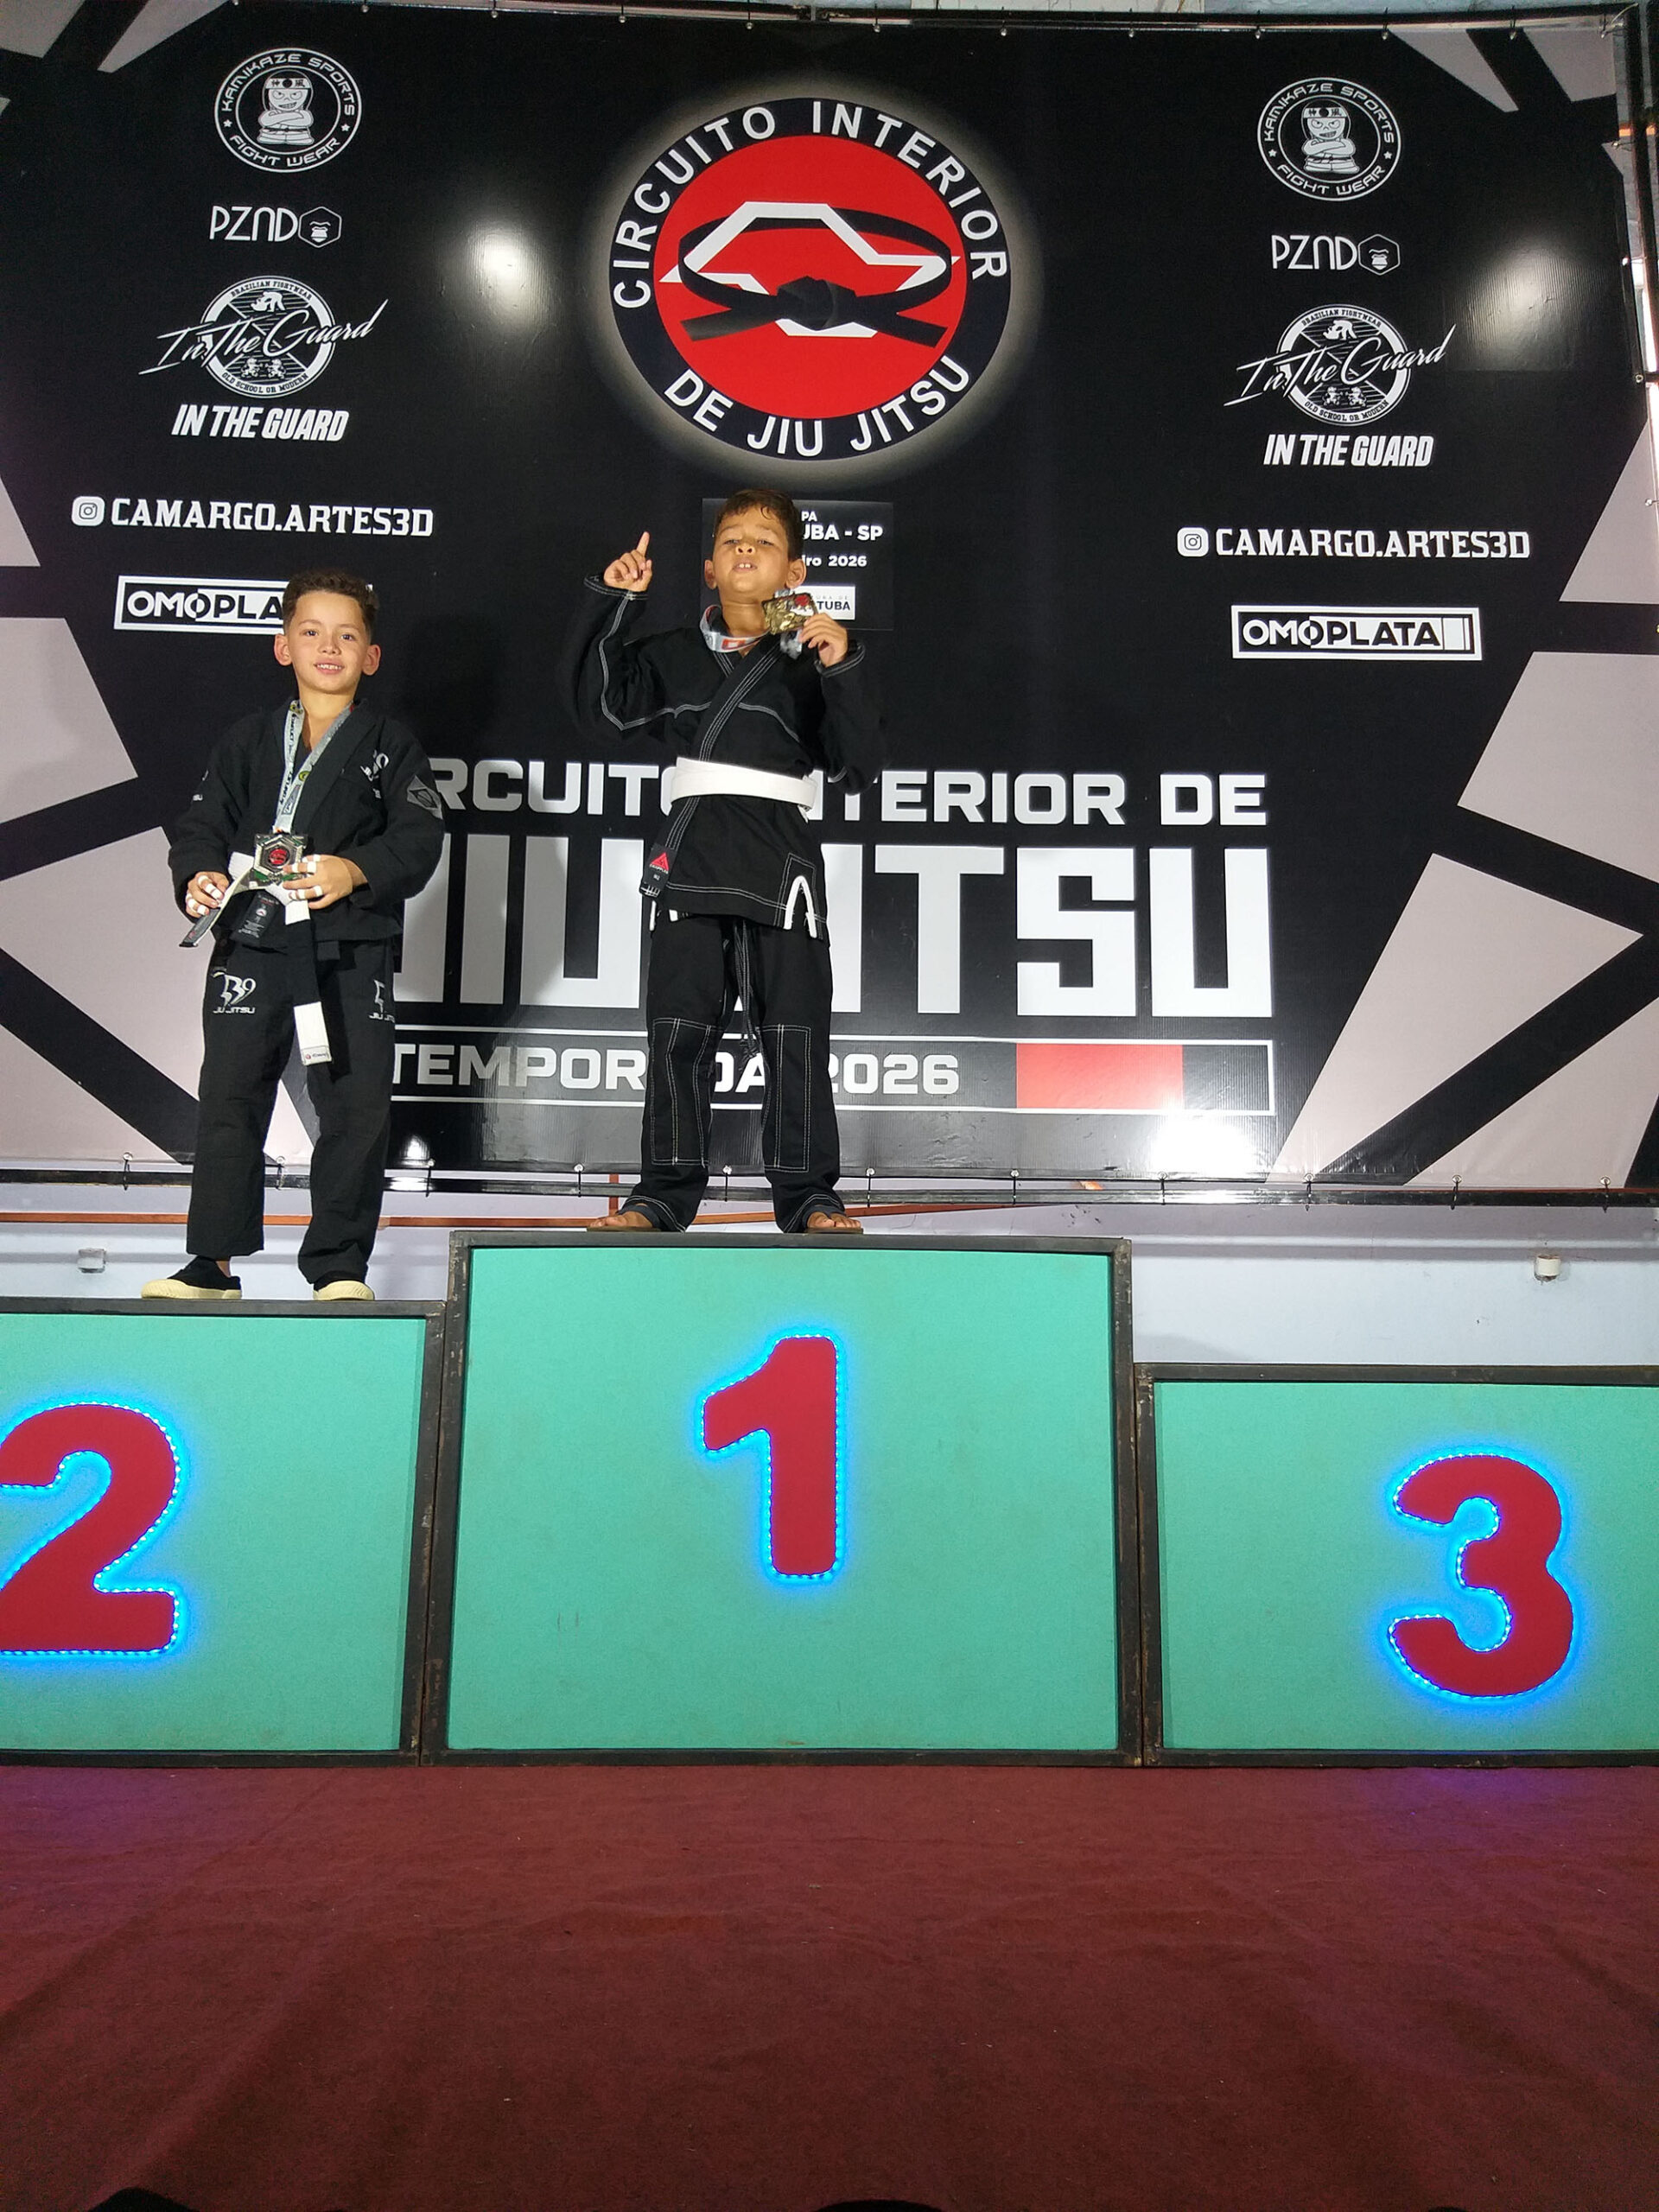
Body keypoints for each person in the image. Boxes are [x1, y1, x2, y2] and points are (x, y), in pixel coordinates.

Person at [563, 489, 881, 1234]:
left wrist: (844, 667)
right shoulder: (672, 654)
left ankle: (809, 1197)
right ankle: (661, 1195)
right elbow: (600, 711)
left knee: (795, 1034)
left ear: (794, 571)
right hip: (693, 859)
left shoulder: (817, 657)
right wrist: (614, 602)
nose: (745, 549)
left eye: (764, 541)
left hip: (782, 864)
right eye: (732, 539)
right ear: (708, 568)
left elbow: (859, 765)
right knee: (677, 1035)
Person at [143, 570, 445, 1301]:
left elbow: (419, 837)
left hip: (348, 948)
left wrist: (354, 869)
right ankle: (211, 1264)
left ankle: (338, 1266)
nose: (328, 647)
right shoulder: (247, 739)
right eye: (311, 632)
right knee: (229, 1098)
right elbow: (202, 824)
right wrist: (197, 876)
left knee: (355, 1108)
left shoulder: (391, 745)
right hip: (252, 939)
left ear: (371, 655)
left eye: (347, 635)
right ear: (284, 647)